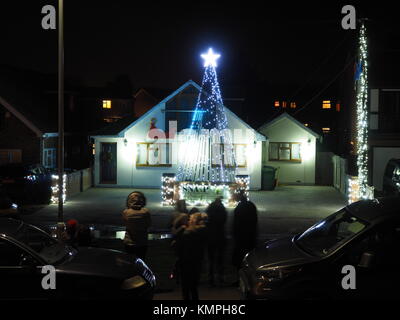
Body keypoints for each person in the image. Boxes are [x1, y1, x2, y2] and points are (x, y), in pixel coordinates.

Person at [175, 212, 208, 300]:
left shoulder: (188, 233)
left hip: (187, 260)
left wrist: (181, 227)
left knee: (186, 286)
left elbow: (176, 237)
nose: (189, 221)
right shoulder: (201, 230)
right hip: (197, 260)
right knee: (193, 286)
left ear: (194, 221)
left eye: (190, 219)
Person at [232, 190, 258, 284]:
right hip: (250, 236)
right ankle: (249, 280)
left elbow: (236, 224)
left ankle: (240, 280)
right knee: (248, 260)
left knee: (240, 260)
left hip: (241, 238)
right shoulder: (251, 206)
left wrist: (235, 235)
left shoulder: (240, 208)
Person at [122, 191, 151, 260]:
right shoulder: (146, 212)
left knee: (130, 262)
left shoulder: (126, 212)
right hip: (142, 242)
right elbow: (148, 224)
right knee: (141, 261)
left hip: (129, 242)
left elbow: (125, 223)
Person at [206, 197, 227, 286]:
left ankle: (211, 277)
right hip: (220, 236)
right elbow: (224, 220)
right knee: (220, 258)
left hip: (210, 237)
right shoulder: (222, 210)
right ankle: (220, 276)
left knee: (211, 258)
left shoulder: (210, 210)